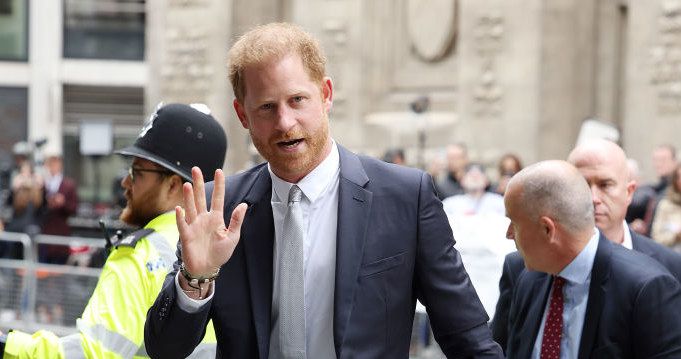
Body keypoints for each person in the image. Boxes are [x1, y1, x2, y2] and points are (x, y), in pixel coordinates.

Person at [144, 23, 502, 358]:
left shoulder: (405, 197)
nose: (285, 123)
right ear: (243, 115)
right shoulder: (216, 209)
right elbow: (165, 349)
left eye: (297, 100)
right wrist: (195, 278)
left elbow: (467, 338)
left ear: (325, 94)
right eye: (267, 107)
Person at [0, 103, 225, 358]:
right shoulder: (228, 250)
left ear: (173, 184)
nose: (125, 181)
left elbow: (94, 353)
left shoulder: (139, 254)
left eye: (136, 171)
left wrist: (8, 346)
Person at [491, 139, 681, 353]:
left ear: (629, 192)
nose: (592, 198)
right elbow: (501, 347)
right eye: (581, 185)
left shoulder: (657, 280)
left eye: (605, 185)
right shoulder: (527, 271)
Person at [39, 153, 79, 264]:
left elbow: (74, 208)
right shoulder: (43, 184)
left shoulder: (68, 184)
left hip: (60, 234)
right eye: (49, 164)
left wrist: (63, 203)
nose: (52, 167)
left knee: (58, 273)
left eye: (54, 164)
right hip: (45, 233)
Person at [651, 163, 681, 251]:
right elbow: (655, 238)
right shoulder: (665, 206)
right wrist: (675, 236)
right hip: (672, 258)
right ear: (675, 181)